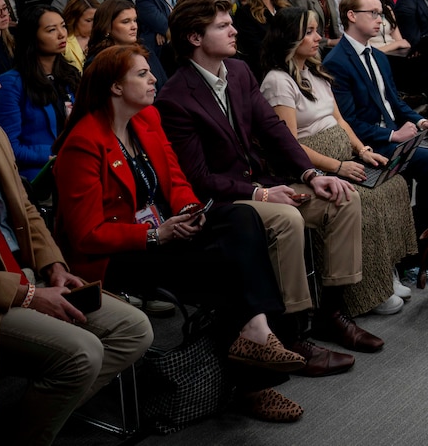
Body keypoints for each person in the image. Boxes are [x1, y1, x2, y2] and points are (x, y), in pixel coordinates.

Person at [53, 44, 308, 422]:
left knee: (241, 219)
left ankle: (256, 330)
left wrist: (191, 211)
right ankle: (253, 380)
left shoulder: (147, 120)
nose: (154, 77)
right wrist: (154, 236)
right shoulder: (83, 144)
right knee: (226, 268)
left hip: (164, 233)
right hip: (121, 257)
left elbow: (176, 180)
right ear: (115, 88)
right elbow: (86, 235)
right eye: (141, 74)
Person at [0, 38, 152, 445]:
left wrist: (55, 268)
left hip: (28, 276)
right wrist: (29, 295)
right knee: (82, 353)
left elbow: (28, 212)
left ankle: (26, 422)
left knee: (133, 328)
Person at [155, 0, 378, 362]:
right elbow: (198, 178)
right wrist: (259, 194)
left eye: (231, 24)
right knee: (287, 218)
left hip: (263, 182)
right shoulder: (175, 97)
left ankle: (332, 312)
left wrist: (310, 173)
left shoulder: (239, 72)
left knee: (342, 197)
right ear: (195, 38)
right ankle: (290, 330)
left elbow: (275, 130)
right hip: (225, 202)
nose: (234, 31)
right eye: (222, 26)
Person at [260, 8, 417, 316]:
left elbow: (340, 121)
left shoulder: (314, 71)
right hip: (312, 168)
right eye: (309, 32)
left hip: (342, 157)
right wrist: (337, 167)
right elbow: (289, 143)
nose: (319, 38)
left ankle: (385, 270)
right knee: (363, 200)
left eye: (317, 30)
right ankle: (367, 290)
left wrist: (361, 150)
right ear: (288, 37)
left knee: (393, 184)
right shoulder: (278, 81)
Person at [326, 0, 428, 233]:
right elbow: (348, 121)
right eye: (373, 13)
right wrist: (393, 136)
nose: (380, 20)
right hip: (372, 143)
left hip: (399, 133)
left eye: (381, 14)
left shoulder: (378, 56)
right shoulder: (336, 62)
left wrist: (421, 121)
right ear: (351, 16)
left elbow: (395, 103)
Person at [0, 5, 78, 185]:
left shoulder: (71, 74)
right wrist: (57, 154)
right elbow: (9, 147)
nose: (62, 34)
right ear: (32, 36)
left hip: (78, 167)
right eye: (51, 30)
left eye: (63, 26)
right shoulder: (11, 83)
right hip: (39, 178)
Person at [235, 0, 291, 73]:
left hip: (290, 61)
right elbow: (255, 48)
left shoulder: (284, 6)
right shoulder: (245, 13)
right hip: (266, 67)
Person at [62, 0, 96, 72]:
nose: (95, 24)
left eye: (97, 19)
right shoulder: (63, 43)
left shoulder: (104, 38)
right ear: (74, 19)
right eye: (89, 20)